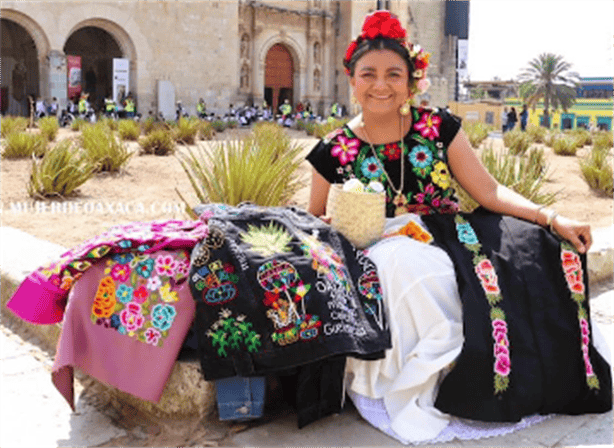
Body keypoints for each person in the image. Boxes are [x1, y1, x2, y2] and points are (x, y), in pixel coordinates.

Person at [305, 10, 611, 445]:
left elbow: (488, 191)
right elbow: (314, 217)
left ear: (411, 81)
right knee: (404, 264)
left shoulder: (437, 127)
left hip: (452, 232)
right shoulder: (332, 150)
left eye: (394, 74)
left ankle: (543, 371)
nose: (380, 84)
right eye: (368, 73)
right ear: (351, 80)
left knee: (536, 244)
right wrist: (342, 220)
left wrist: (552, 217)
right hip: (382, 243)